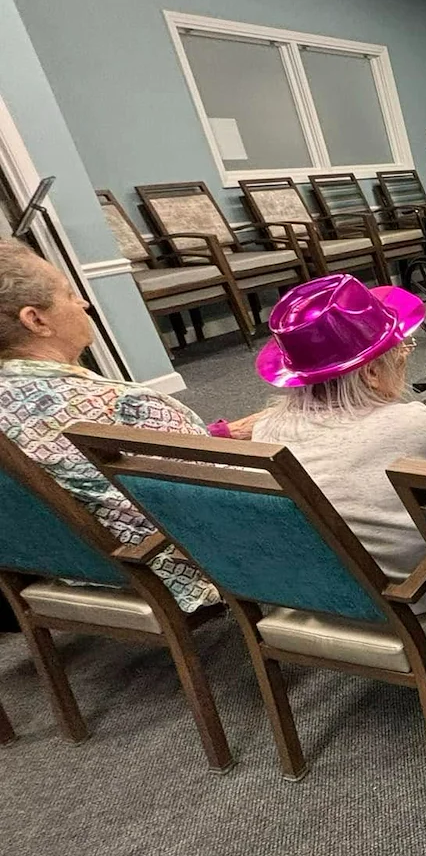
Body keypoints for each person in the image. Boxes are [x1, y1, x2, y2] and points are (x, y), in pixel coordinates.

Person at [0, 241, 254, 612]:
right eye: (69, 295)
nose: (83, 304)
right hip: (165, 566)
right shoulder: (126, 403)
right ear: (36, 320)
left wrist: (215, 435)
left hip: (64, 564)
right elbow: (230, 493)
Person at [250, 275, 426, 611]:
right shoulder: (414, 424)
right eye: (400, 348)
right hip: (412, 593)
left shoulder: (265, 430)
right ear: (371, 372)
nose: (404, 356)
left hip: (319, 591)